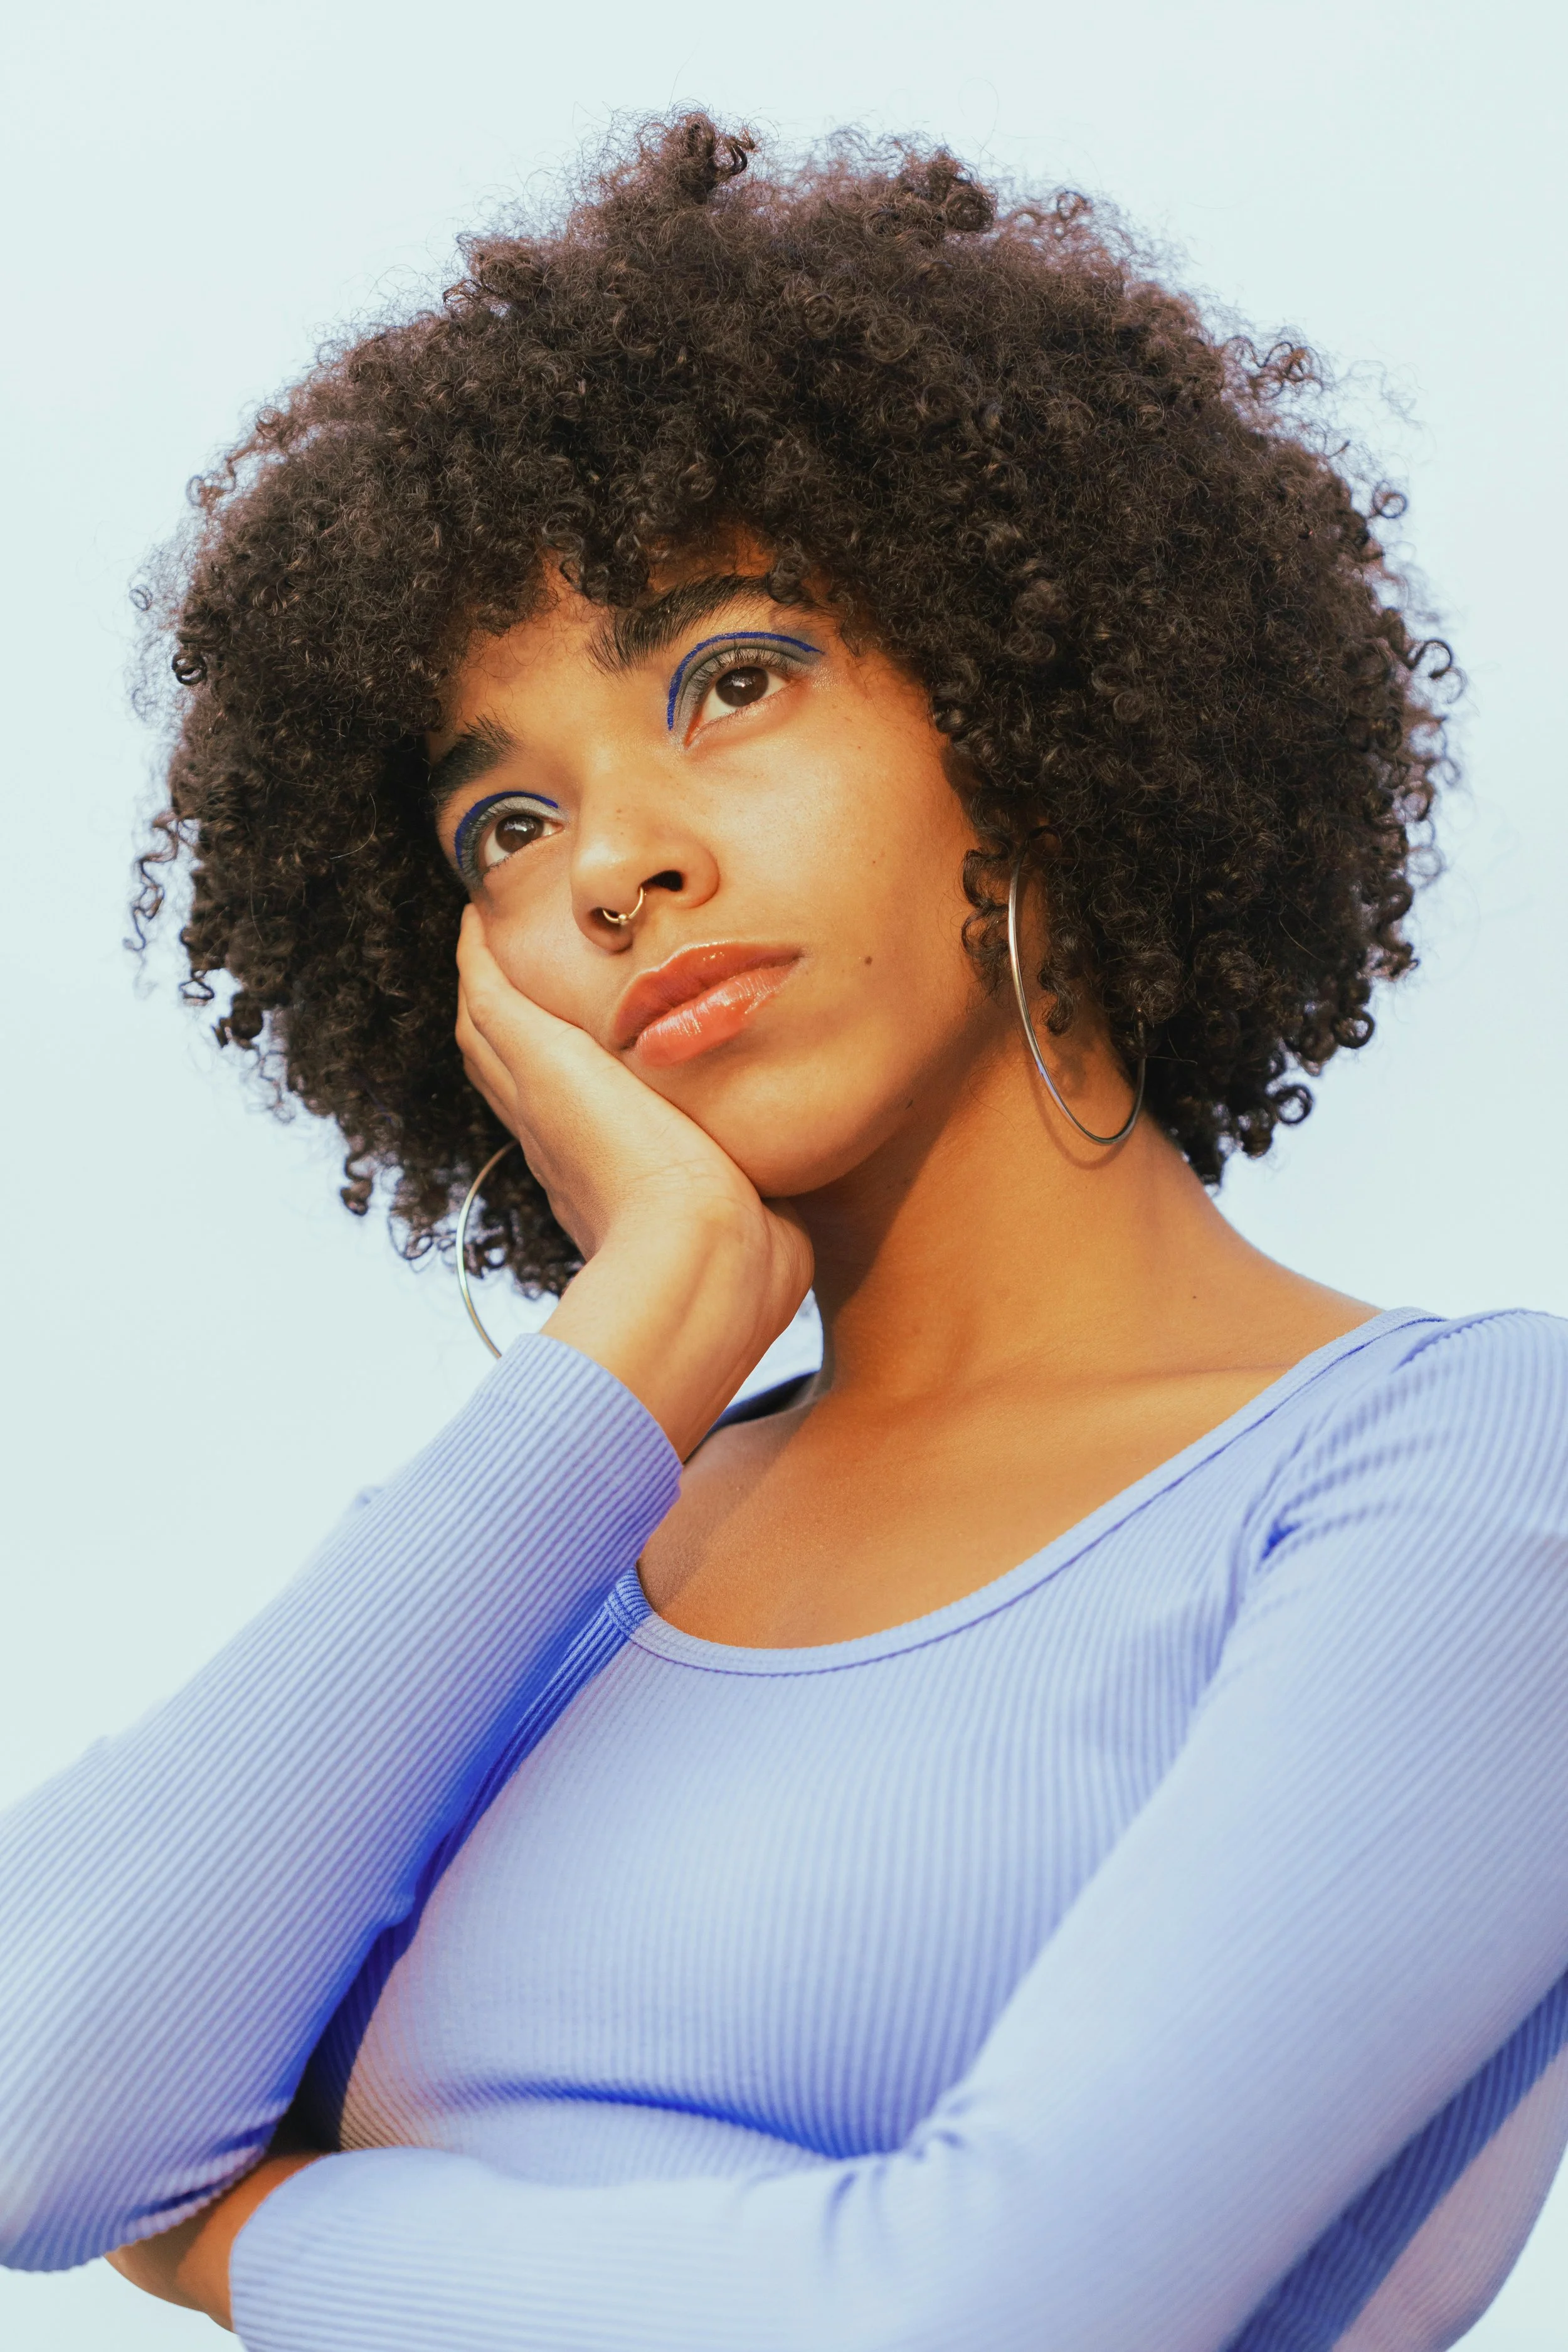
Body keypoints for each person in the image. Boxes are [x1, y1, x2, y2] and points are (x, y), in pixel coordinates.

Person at [3, 114, 1566, 2352]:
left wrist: (269, 2242)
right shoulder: (558, 1527)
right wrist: (635, 1344)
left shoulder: (1470, 1475)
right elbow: (39, 2114)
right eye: (504, 821)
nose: (612, 864)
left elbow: (986, 2316)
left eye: (729, 681)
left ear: (1018, 719)